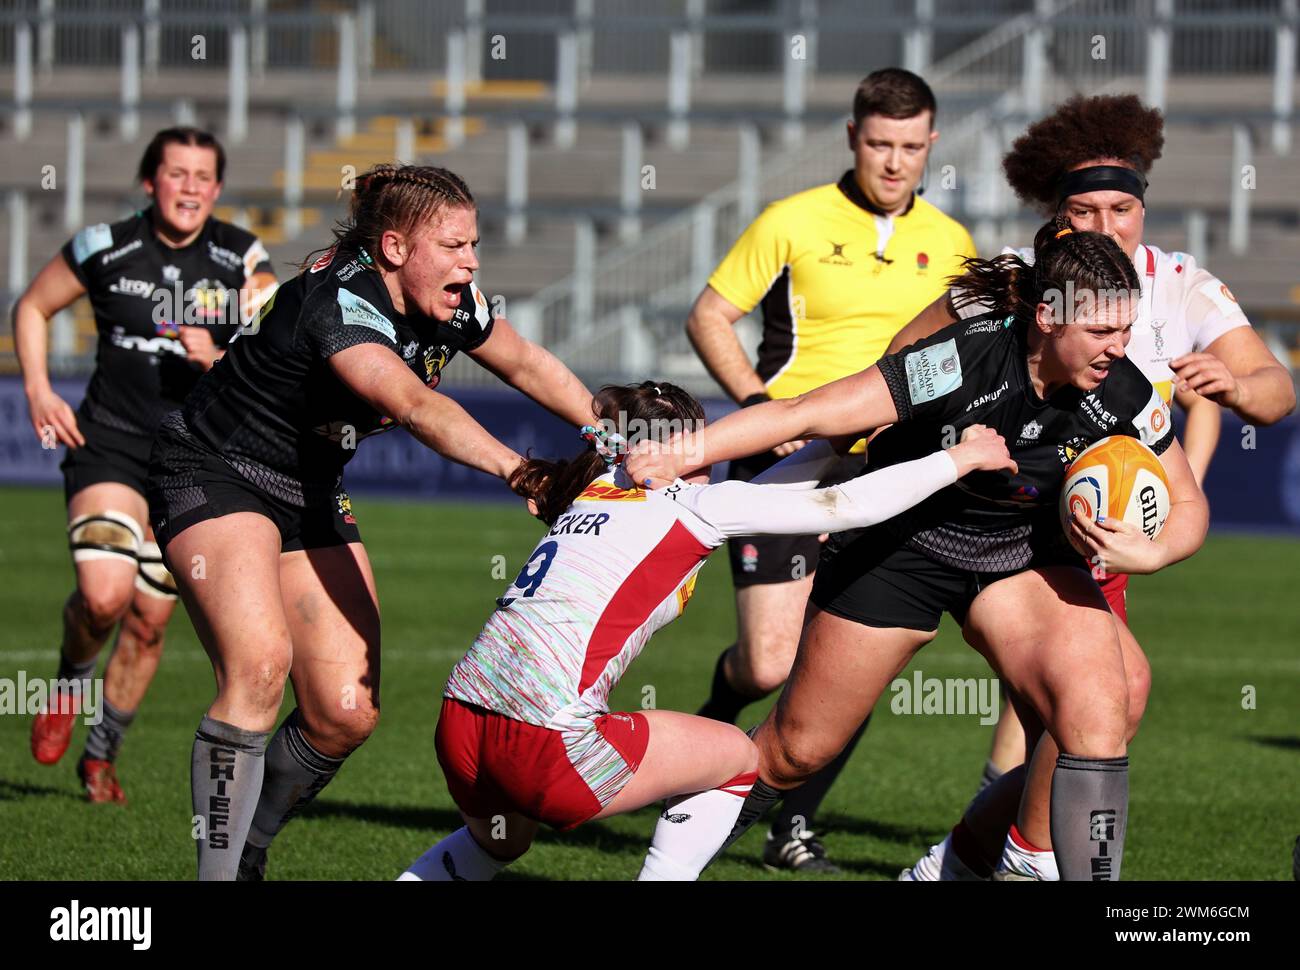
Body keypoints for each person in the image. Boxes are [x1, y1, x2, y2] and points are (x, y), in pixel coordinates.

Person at [628, 226, 1211, 880]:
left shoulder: (1126, 394)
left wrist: (1151, 554)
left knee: (1100, 716)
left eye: (1128, 329)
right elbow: (809, 412)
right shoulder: (964, 358)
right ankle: (667, 855)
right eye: (1104, 331)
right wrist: (687, 453)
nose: (1120, 348)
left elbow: (1188, 507)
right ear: (1047, 316)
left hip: (1021, 558)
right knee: (796, 751)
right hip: (902, 542)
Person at [144, 164, 595, 880]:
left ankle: (249, 851)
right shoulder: (340, 302)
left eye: (474, 244)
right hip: (213, 468)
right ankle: (218, 878)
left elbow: (529, 363)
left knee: (345, 713)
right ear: (393, 247)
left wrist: (616, 432)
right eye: (453, 246)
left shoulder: (453, 303)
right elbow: (416, 406)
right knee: (259, 668)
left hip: (311, 486)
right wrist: (520, 470)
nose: (471, 262)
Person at [891, 94, 1296, 881]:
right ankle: (1012, 857)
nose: (1107, 225)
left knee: (1091, 709)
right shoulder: (1017, 277)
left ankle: (981, 860)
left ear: (1143, 206)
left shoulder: (1178, 284)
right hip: (985, 524)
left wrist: (1239, 388)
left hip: (1090, 534)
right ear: (1057, 214)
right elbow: (905, 354)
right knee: (1081, 709)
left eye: (1123, 207)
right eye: (1085, 209)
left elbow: (1275, 389)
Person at [399, 382, 1014, 881]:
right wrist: (958, 457)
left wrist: (833, 439)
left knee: (497, 847)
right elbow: (843, 508)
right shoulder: (692, 505)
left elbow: (756, 496)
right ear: (680, 448)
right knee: (739, 758)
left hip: (460, 723)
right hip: (543, 744)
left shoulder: (593, 491)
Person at [687, 67, 976, 870]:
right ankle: (718, 716)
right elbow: (709, 315)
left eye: (911, 147)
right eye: (880, 143)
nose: (894, 162)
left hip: (888, 472)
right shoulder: (792, 220)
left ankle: (789, 826)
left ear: (932, 145)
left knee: (858, 659)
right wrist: (752, 398)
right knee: (770, 665)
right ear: (852, 137)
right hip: (788, 460)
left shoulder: (953, 243)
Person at [16, 127, 276, 803]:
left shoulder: (242, 258)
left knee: (149, 619)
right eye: (175, 173)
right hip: (110, 442)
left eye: (202, 176)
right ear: (149, 181)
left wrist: (218, 358)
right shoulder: (105, 246)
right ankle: (69, 681)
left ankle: (101, 758)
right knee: (103, 596)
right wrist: (41, 392)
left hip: (195, 461)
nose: (189, 187)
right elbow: (33, 307)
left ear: (217, 189)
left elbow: (279, 357)